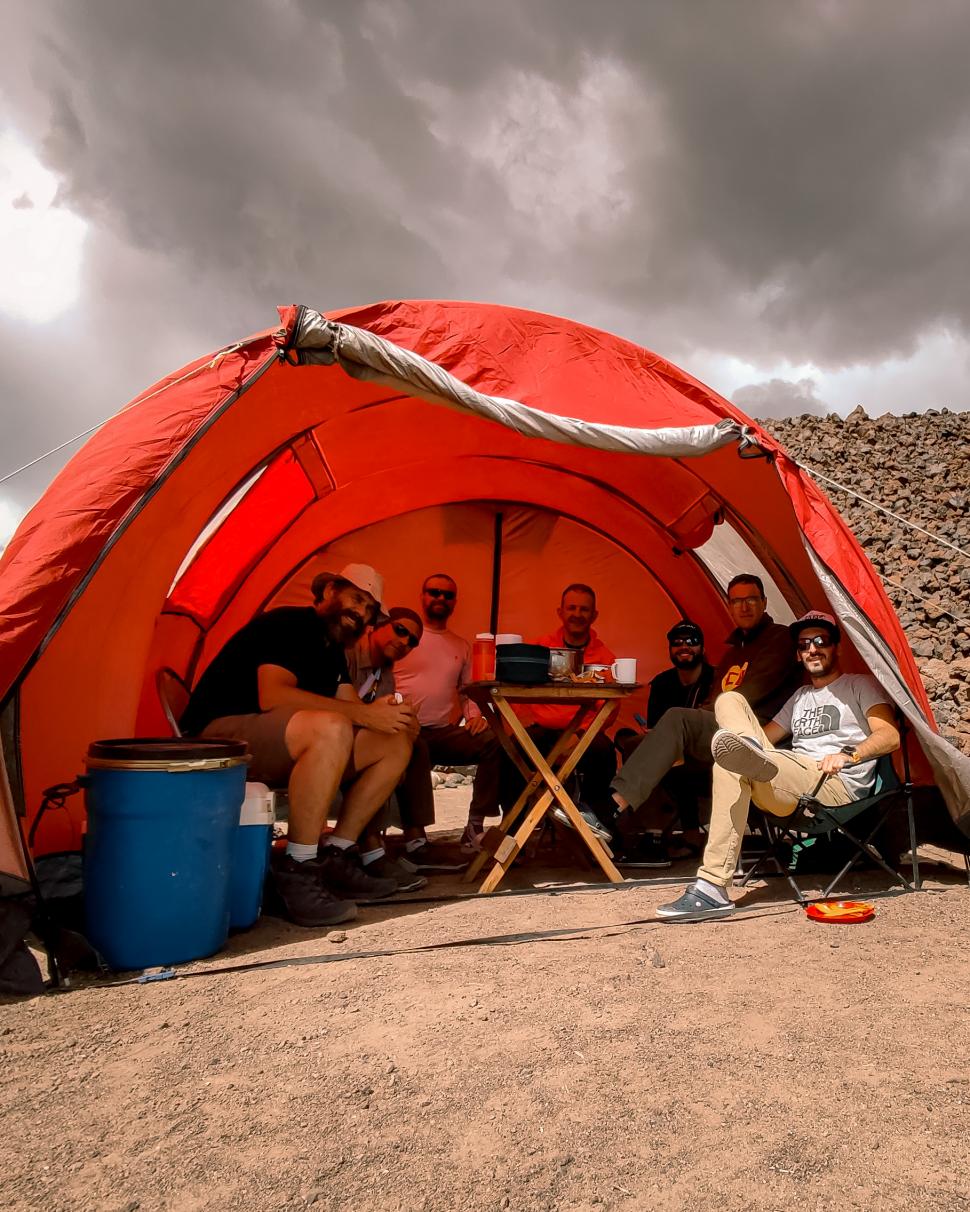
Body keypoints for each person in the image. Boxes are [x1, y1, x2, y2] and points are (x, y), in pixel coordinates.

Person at [180, 563, 415, 927]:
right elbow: (272, 695)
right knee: (331, 727)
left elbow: (352, 707)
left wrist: (385, 714)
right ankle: (298, 866)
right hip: (220, 737)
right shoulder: (289, 624)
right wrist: (360, 716)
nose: (361, 613)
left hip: (283, 738)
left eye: (369, 609)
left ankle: (337, 853)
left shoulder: (333, 647)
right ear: (328, 592)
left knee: (394, 742)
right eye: (356, 599)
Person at [657, 610, 900, 920]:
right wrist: (746, 740)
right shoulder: (800, 697)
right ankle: (713, 887)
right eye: (804, 644)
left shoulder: (859, 685)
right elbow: (768, 736)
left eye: (820, 641)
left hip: (830, 784)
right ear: (798, 655)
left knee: (731, 764)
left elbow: (889, 736)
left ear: (837, 647)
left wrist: (848, 755)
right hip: (788, 779)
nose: (812, 649)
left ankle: (712, 886)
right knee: (728, 702)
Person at [609, 574, 801, 835]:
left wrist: (695, 720)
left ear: (764, 603)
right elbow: (714, 696)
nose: (744, 607)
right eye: (737, 601)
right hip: (721, 727)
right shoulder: (733, 651)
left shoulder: (780, 638)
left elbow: (750, 693)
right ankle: (645, 835)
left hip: (753, 730)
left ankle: (614, 804)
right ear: (729, 606)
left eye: (751, 599)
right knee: (635, 743)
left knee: (678, 719)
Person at [346, 608, 466, 877]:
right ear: (376, 626)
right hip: (336, 736)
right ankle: (369, 847)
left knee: (413, 743)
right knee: (395, 746)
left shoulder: (385, 675)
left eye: (412, 641)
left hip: (407, 731)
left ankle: (416, 839)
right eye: (400, 631)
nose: (404, 643)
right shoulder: (349, 654)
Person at [393, 573, 503, 853]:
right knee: (414, 748)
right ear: (422, 596)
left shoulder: (461, 645)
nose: (440, 598)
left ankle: (474, 827)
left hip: (442, 731)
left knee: (494, 741)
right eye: (434, 592)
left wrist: (475, 716)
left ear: (454, 602)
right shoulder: (402, 638)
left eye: (447, 594)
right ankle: (415, 838)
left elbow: (467, 692)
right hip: (402, 729)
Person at [509, 584, 618, 840]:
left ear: (594, 616)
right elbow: (517, 693)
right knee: (511, 749)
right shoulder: (539, 649)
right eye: (572, 608)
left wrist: (580, 736)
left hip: (583, 735)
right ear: (560, 612)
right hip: (542, 730)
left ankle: (596, 825)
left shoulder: (605, 657)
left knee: (604, 751)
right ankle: (513, 829)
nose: (577, 614)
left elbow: (609, 709)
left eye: (584, 609)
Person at [612, 620, 715, 866]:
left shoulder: (716, 678)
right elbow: (656, 731)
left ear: (702, 647)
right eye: (676, 642)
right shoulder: (662, 683)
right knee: (633, 743)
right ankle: (655, 834)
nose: (684, 647)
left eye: (691, 642)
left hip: (707, 754)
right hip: (671, 758)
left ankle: (647, 832)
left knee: (651, 753)